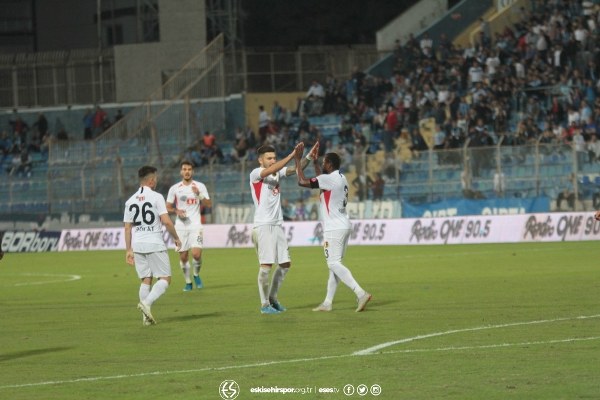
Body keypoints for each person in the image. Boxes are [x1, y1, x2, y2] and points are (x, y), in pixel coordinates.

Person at [294, 144, 372, 312]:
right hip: (344, 225)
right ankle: (327, 303)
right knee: (335, 265)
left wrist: (297, 161)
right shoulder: (341, 178)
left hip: (334, 228)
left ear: (329, 164)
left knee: (333, 263)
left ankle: (360, 293)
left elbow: (302, 181)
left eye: (323, 163)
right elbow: (321, 182)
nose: (322, 164)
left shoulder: (329, 179)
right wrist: (315, 163)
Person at [249, 142, 317, 314]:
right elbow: (271, 170)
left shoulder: (277, 171)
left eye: (274, 158)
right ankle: (264, 305)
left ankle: (272, 298)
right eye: (268, 158)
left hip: (277, 224)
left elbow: (296, 169)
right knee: (265, 266)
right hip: (263, 225)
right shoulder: (256, 173)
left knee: (285, 264)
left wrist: (307, 157)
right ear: (260, 160)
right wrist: (291, 155)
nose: (272, 161)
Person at [124, 165, 182, 326]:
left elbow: (128, 227)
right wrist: (176, 237)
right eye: (155, 179)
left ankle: (146, 319)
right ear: (150, 180)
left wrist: (128, 249)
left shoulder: (130, 201)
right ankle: (146, 304)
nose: (156, 181)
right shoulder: (156, 197)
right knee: (165, 279)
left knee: (146, 279)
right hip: (154, 242)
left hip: (138, 244)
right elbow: (166, 221)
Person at [166, 160, 211, 291]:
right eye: (184, 169)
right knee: (183, 256)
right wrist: (176, 211)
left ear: (193, 171)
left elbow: (208, 204)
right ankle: (188, 282)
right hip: (180, 226)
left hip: (195, 225)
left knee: (196, 254)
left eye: (189, 169)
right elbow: (167, 207)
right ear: (181, 172)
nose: (187, 171)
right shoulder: (174, 188)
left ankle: (196, 275)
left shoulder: (200, 186)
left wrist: (199, 194)